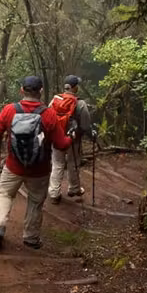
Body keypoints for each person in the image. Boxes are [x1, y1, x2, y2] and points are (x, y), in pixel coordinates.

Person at [0, 76, 71, 249]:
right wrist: (72, 137)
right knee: (35, 201)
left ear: (21, 90)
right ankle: (31, 238)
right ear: (40, 91)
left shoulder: (9, 110)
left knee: (5, 194)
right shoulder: (49, 115)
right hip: (39, 171)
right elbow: (61, 145)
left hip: (13, 167)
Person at [48, 75, 92, 204]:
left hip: (57, 139)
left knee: (57, 164)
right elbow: (85, 125)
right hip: (73, 140)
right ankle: (74, 188)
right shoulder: (80, 103)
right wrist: (85, 134)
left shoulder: (55, 100)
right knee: (73, 164)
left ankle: (54, 193)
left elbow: (48, 118)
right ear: (75, 87)